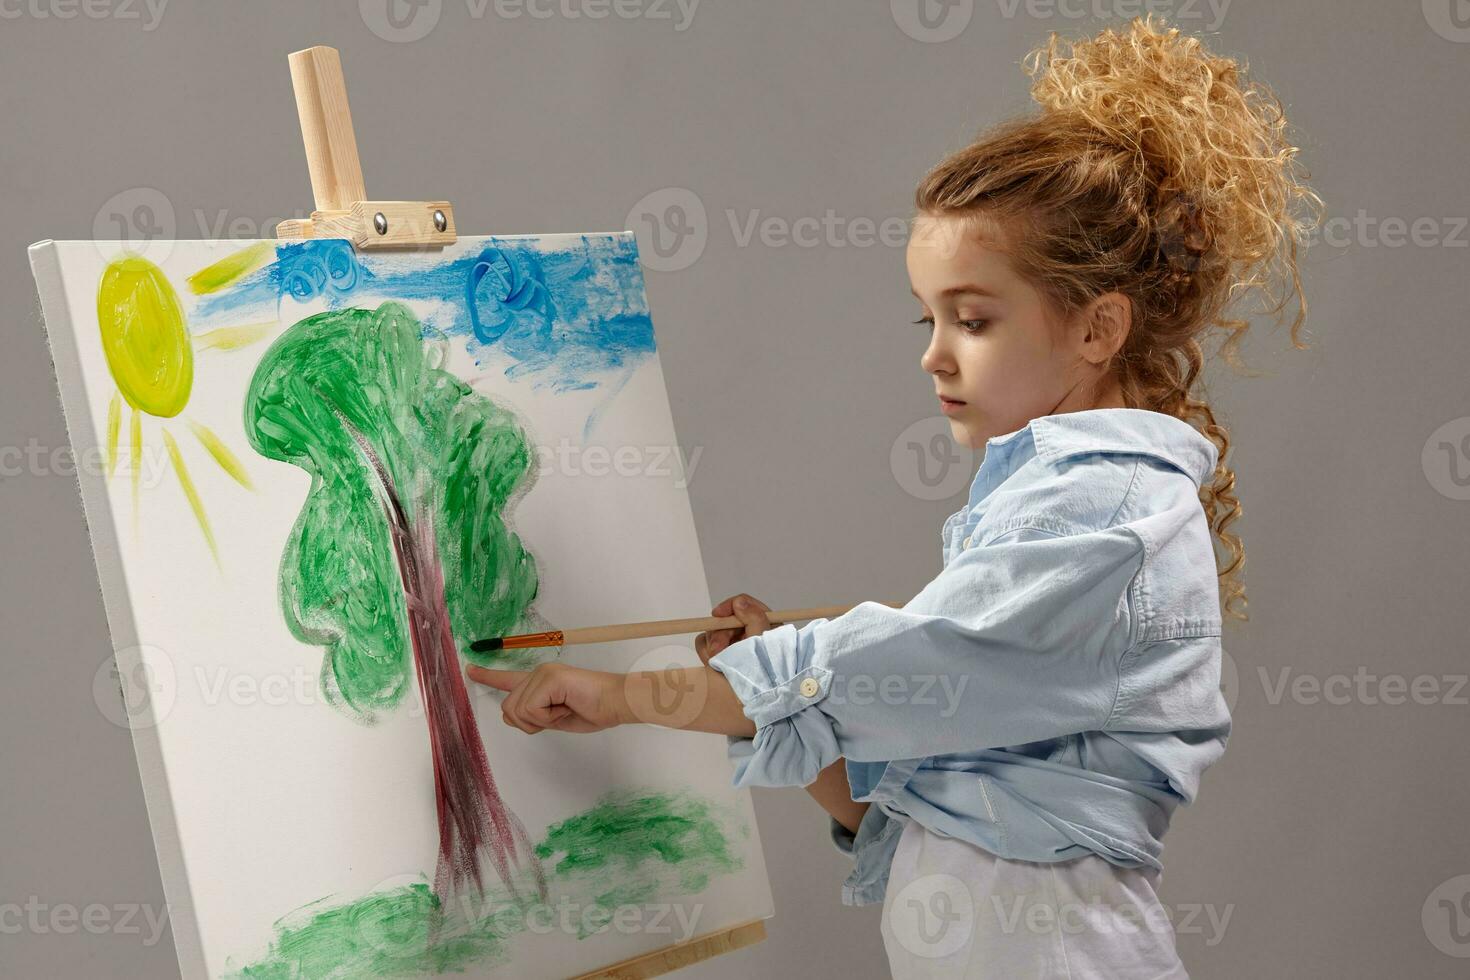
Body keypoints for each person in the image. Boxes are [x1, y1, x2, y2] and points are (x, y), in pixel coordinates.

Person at [468, 14, 1322, 977]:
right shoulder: (1053, 504)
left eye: (974, 318)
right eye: (930, 318)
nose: (934, 354)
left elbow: (913, 662)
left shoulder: (1108, 517)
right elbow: (905, 813)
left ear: (1097, 327)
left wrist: (634, 694)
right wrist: (772, 700)